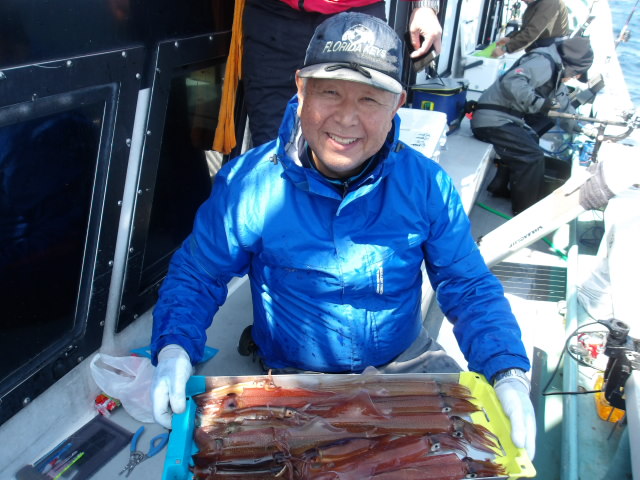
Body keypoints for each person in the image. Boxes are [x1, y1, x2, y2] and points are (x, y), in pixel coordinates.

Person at [151, 12, 536, 459]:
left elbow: (467, 284)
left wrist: (507, 370)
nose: (347, 118)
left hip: (404, 363)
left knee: (478, 456)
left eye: (370, 98)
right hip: (295, 378)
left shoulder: (428, 185)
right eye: (330, 92)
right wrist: (174, 347)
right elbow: (199, 274)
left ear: (397, 104)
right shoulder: (248, 182)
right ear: (301, 89)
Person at [243, 0, 443, 147]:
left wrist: (424, 6)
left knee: (357, 136)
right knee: (271, 138)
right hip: (274, 14)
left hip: (359, 12)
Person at [471, 36, 594, 215]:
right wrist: (539, 103)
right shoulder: (544, 62)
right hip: (491, 119)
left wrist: (584, 129)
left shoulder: (556, 70)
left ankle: (500, 186)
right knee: (532, 155)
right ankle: (524, 211)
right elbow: (512, 81)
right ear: (571, 65)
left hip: (507, 119)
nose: (574, 78)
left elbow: (563, 106)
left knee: (531, 138)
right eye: (576, 73)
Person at [491, 0, 569, 58]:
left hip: (548, 55)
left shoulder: (549, 3)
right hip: (541, 52)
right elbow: (527, 29)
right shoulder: (537, 3)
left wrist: (505, 48)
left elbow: (532, 32)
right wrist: (510, 38)